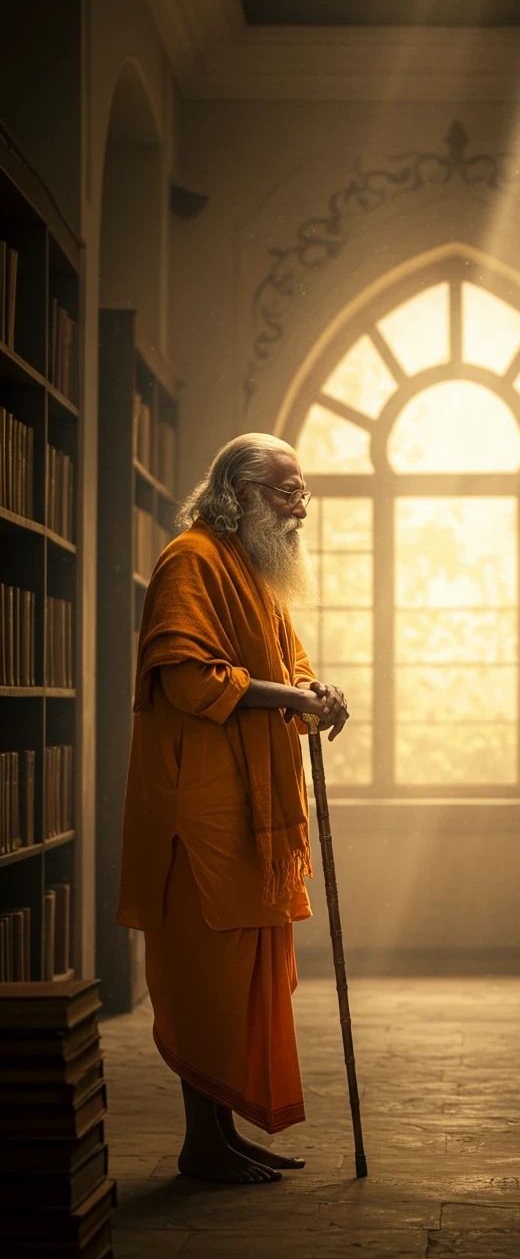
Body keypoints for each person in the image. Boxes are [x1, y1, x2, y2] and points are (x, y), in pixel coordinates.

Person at [117, 433, 349, 1185]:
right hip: (202, 812)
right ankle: (203, 1143)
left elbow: (288, 663)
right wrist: (292, 697)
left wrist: (318, 693)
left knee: (247, 976)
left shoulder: (253, 567)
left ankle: (222, 1134)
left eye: (302, 492)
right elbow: (188, 680)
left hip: (254, 811)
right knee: (205, 977)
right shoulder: (191, 558)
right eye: (288, 492)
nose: (300, 507)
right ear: (242, 493)